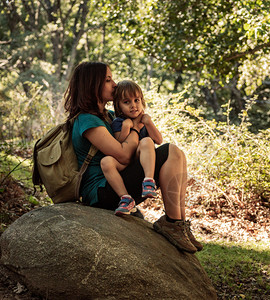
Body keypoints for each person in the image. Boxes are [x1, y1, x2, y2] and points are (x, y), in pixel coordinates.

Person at [64, 61, 202, 253]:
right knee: (170, 151)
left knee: (177, 154)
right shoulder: (87, 120)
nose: (114, 84)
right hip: (103, 191)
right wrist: (136, 128)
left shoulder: (109, 116)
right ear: (92, 85)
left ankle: (179, 223)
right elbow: (123, 156)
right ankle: (172, 223)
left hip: (117, 181)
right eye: (108, 80)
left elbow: (145, 141)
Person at [100, 80, 162, 216]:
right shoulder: (119, 122)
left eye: (136, 100)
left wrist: (148, 123)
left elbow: (158, 140)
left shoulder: (144, 119)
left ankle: (149, 181)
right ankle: (125, 198)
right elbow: (119, 143)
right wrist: (126, 128)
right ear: (118, 105)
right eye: (127, 102)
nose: (133, 106)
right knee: (106, 161)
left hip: (141, 158)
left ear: (142, 101)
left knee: (146, 141)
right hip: (125, 160)